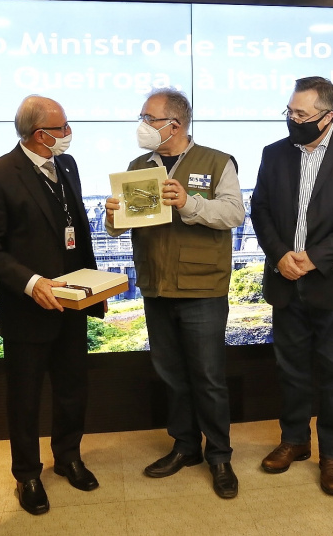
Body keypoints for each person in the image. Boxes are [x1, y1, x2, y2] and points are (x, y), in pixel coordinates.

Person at [104, 88, 245, 499]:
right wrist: (113, 218)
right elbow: (123, 226)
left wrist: (189, 204)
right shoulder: (138, 166)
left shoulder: (217, 161)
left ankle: (219, 455)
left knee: (208, 377)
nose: (142, 124)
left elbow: (234, 213)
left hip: (202, 287)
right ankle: (185, 447)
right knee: (172, 376)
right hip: (156, 285)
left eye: (149, 118)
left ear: (174, 125)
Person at [0, 95, 105, 515]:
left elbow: (76, 230)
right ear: (39, 134)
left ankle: (68, 456)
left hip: (73, 301)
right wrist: (30, 283)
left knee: (72, 388)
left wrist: (93, 283)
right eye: (62, 128)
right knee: (25, 397)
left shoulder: (67, 165)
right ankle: (27, 473)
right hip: (28, 306)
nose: (69, 134)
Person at [250, 76, 333, 496]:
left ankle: (332, 456)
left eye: (302, 114)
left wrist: (315, 257)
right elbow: (261, 209)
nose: (293, 119)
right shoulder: (275, 153)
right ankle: (293, 441)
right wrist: (280, 256)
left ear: (328, 116)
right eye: (290, 111)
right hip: (286, 279)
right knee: (290, 370)